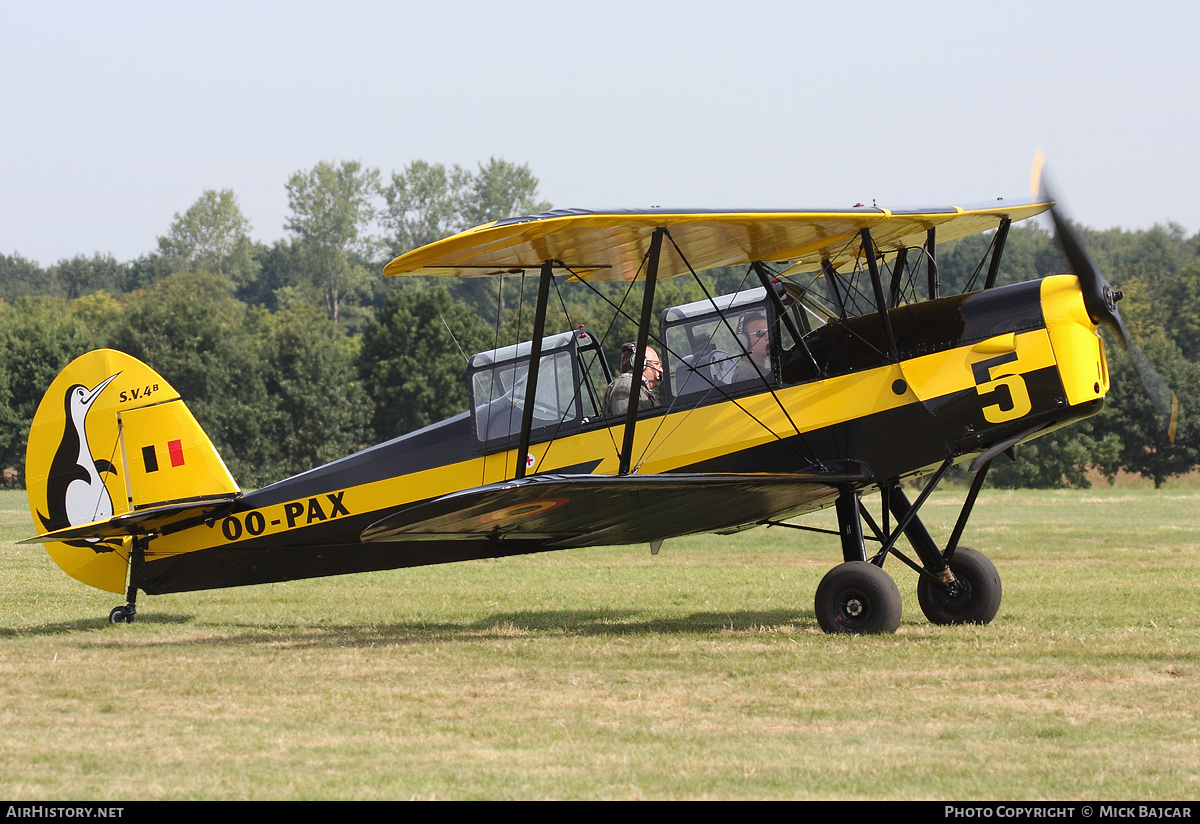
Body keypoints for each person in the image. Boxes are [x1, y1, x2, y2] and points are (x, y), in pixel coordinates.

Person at [604, 343, 662, 417]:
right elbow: (625, 423)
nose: (661, 370)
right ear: (640, 363)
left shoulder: (636, 388)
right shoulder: (625, 386)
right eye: (657, 364)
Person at [730, 312, 772, 384]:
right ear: (744, 341)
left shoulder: (764, 371)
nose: (767, 337)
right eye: (760, 333)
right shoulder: (744, 376)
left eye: (769, 332)